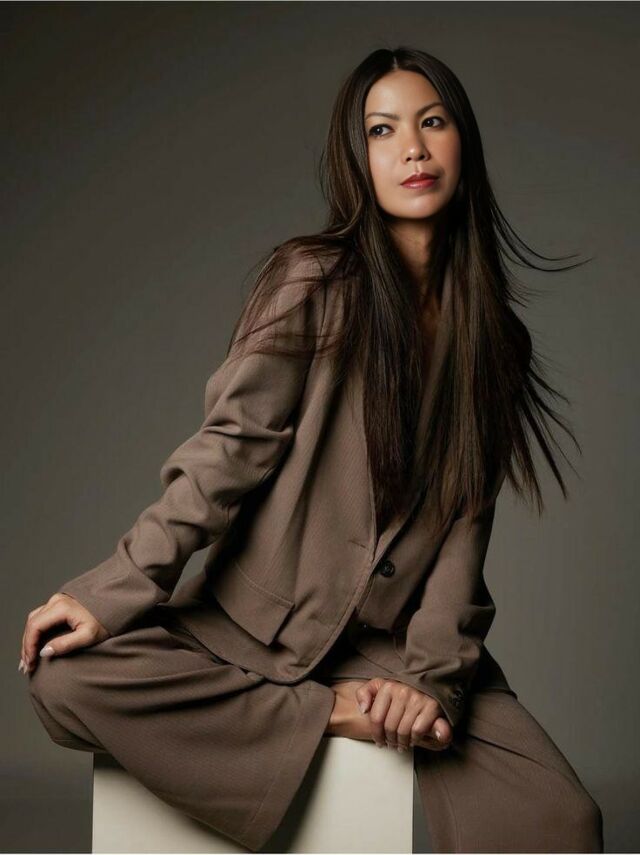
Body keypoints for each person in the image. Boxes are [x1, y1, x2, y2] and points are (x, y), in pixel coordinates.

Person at [20, 47, 604, 853]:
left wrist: (428, 682)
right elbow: (226, 454)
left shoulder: (497, 341)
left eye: (432, 122)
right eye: (382, 130)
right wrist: (115, 587)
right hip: (246, 632)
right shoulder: (314, 281)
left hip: (387, 648)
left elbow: (465, 532)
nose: (412, 148)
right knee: (65, 677)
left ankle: (347, 708)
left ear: (462, 141)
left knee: (560, 815)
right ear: (357, 159)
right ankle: (329, 715)